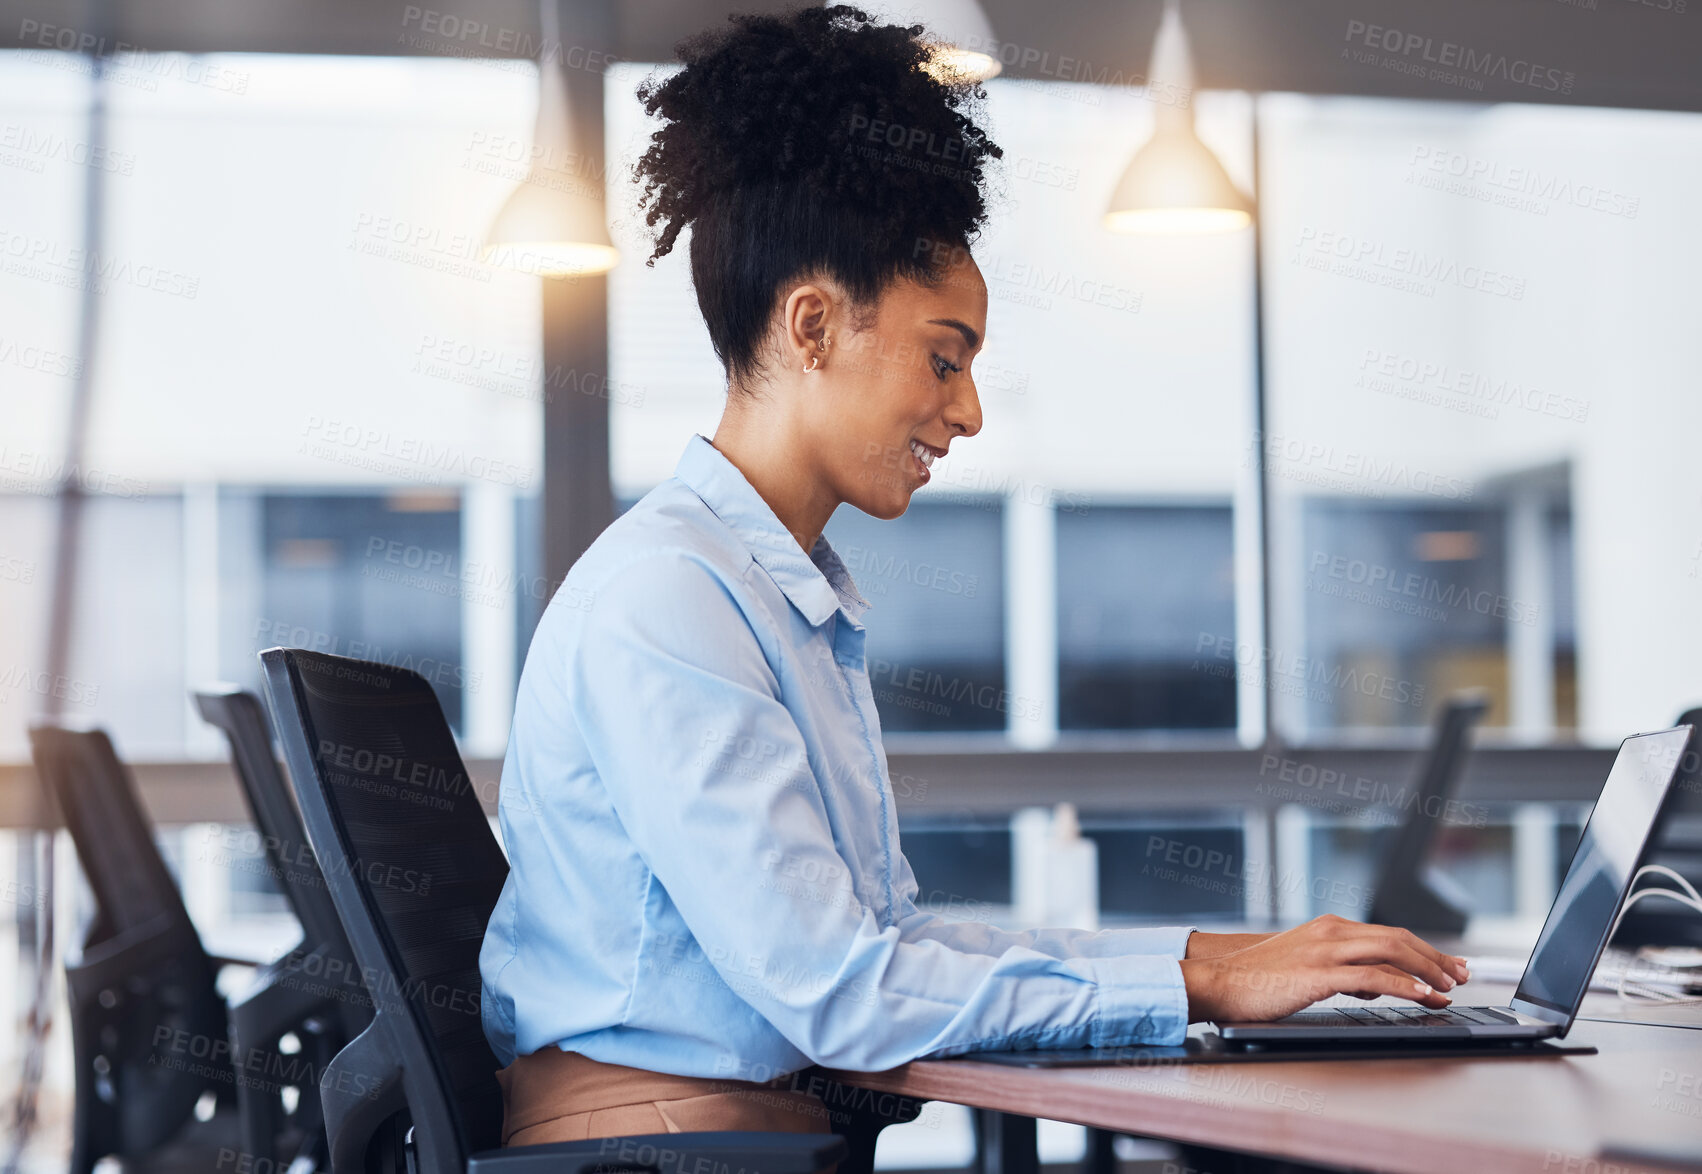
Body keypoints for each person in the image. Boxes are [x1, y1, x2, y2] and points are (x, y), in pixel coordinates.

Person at [478, 2, 1471, 1152]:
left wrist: (1211, 957)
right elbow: (843, 996)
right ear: (811, 325)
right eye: (942, 358)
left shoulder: (770, 593)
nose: (968, 410)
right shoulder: (669, 602)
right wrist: (1197, 988)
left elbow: (892, 950)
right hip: (661, 1148)